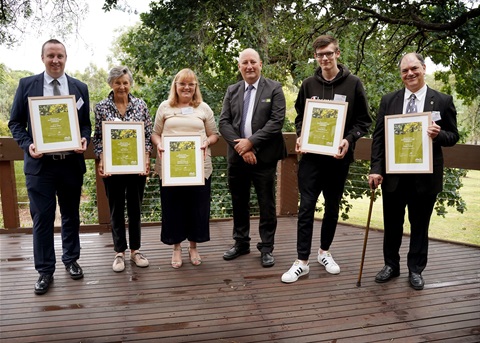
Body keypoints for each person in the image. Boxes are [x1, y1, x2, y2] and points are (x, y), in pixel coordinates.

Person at [281, 35, 371, 283]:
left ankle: (324, 252)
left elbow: (364, 122)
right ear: (316, 57)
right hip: (310, 159)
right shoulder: (309, 84)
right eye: (320, 54)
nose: (324, 58)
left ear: (337, 53)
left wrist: (348, 140)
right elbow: (300, 117)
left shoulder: (353, 84)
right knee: (306, 208)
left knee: (332, 207)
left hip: (338, 159)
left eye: (329, 53)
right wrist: (300, 135)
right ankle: (302, 261)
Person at [368, 52, 459, 290]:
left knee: (420, 225)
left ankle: (416, 269)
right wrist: (376, 169)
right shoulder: (389, 100)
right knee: (392, 224)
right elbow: (378, 139)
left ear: (424, 68)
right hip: (394, 176)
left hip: (425, 177)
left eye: (414, 69)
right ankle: (391, 265)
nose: (409, 74)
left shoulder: (442, 100)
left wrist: (439, 135)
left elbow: (453, 136)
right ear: (401, 74)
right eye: (404, 70)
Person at [8, 39, 91, 294]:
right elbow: (15, 123)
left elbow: (85, 124)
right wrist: (28, 144)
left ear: (66, 58)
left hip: (69, 164)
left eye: (60, 56)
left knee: (70, 215)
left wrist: (84, 138)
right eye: (51, 56)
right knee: (42, 218)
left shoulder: (79, 87)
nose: (56, 60)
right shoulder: (27, 85)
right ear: (42, 58)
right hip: (40, 166)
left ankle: (71, 260)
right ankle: (45, 271)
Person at [219, 48, 287, 268]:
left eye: (253, 62)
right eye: (244, 63)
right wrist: (243, 148)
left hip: (264, 158)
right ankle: (241, 243)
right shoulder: (232, 90)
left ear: (260, 65)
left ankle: (266, 248)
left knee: (266, 204)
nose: (249, 66)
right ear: (239, 66)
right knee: (239, 202)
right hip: (238, 158)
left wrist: (252, 143)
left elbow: (276, 122)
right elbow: (224, 123)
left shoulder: (274, 88)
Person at [151, 68, 219, 269]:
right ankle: (176, 248)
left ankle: (193, 247)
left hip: (199, 169)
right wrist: (159, 144)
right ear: (176, 86)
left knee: (197, 208)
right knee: (173, 208)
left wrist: (207, 142)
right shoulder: (165, 107)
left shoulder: (203, 108)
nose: (186, 87)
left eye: (191, 84)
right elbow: (155, 133)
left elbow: (214, 134)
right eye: (182, 83)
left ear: (195, 87)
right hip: (171, 170)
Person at [93, 66, 153, 272]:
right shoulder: (101, 107)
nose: (122, 86)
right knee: (116, 208)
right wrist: (102, 160)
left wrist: (146, 160)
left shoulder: (141, 105)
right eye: (118, 82)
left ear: (130, 84)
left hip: (136, 167)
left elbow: (147, 136)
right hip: (113, 168)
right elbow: (98, 138)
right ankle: (119, 252)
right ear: (111, 83)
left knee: (135, 208)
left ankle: (136, 250)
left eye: (125, 82)